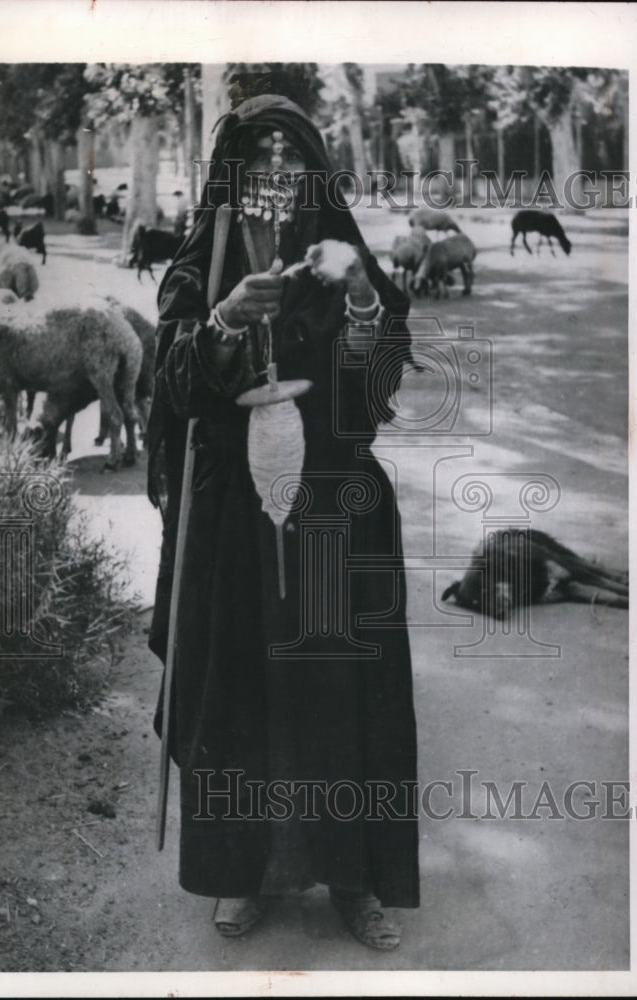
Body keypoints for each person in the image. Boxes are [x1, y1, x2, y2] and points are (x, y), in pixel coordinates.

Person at [147, 78, 420, 951]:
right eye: (258, 152)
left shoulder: (341, 249)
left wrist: (369, 311)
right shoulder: (207, 254)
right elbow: (174, 386)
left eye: (291, 153)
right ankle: (243, 876)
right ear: (231, 169)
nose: (274, 165)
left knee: (342, 695)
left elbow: (378, 383)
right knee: (239, 697)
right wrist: (223, 319)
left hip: (335, 504)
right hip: (234, 514)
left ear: (313, 172)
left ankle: (354, 878)